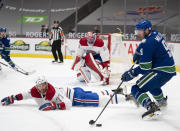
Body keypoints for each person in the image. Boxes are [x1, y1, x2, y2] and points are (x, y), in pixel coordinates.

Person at [115, 19, 176, 120]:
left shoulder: (148, 42)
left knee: (136, 88)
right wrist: (139, 51)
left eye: (140, 31)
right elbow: (146, 44)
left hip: (160, 70)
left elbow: (145, 67)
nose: (138, 33)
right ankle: (162, 102)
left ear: (147, 30)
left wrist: (132, 72)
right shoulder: (155, 33)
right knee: (152, 85)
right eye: (137, 31)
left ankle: (151, 107)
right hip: (168, 69)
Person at [1, 76, 130, 111]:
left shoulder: (53, 92)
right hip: (72, 91)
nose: (42, 87)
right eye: (40, 85)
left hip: (75, 97)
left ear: (46, 84)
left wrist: (54, 105)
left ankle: (126, 98)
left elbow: (67, 103)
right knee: (96, 94)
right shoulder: (34, 91)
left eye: (44, 84)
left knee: (99, 101)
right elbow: (23, 95)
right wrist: (12, 98)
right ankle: (115, 91)